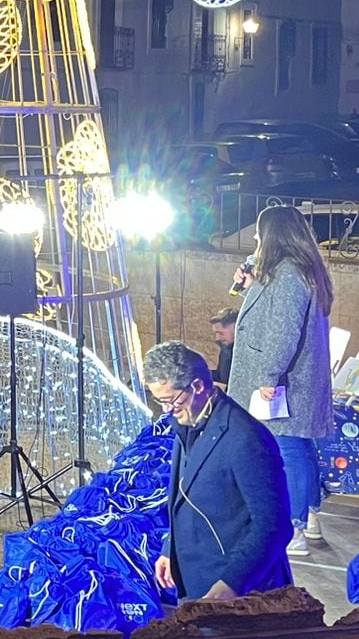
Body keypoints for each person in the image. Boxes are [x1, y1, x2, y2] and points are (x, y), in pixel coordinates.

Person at [144, 341, 293, 602]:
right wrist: (171, 550)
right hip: (197, 578)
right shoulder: (188, 420)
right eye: (160, 401)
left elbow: (274, 524)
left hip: (235, 591)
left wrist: (232, 583)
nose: (166, 410)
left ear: (198, 386)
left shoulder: (247, 439)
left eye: (171, 400)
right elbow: (184, 495)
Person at [227, 205, 336, 556]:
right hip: (288, 381)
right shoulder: (289, 272)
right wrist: (248, 288)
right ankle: (308, 517)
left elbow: (284, 331)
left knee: (289, 450)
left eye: (260, 234)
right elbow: (271, 315)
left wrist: (268, 375)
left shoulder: (289, 275)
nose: (256, 240)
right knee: (296, 448)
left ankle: (295, 528)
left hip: (286, 384)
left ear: (274, 235)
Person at [210, 307, 238, 388]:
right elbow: (220, 376)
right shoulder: (225, 349)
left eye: (220, 333)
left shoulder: (249, 353)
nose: (217, 338)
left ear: (235, 328)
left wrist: (224, 387)